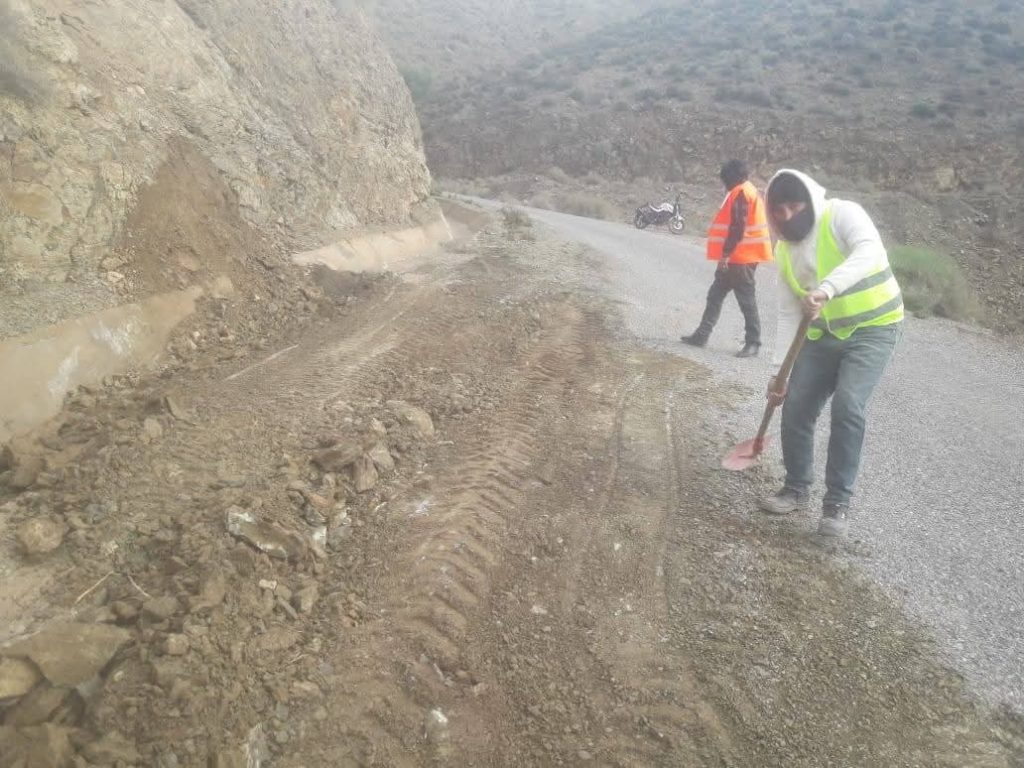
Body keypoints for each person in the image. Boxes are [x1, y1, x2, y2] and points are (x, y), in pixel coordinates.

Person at [759, 169, 904, 537]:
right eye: (779, 211)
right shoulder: (784, 251)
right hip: (823, 335)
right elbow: (788, 313)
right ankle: (795, 487)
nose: (788, 216)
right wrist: (779, 375)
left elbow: (869, 251)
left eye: (794, 207)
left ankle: (837, 504)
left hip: (875, 327)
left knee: (848, 405)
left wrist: (826, 289)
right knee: (796, 404)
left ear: (808, 200)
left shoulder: (842, 214)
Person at [681, 160, 773, 358]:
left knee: (745, 301)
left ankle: (753, 343)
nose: (724, 184)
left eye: (725, 180)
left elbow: (737, 228)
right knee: (715, 295)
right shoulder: (747, 190)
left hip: (740, 259)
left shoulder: (741, 193)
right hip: (737, 257)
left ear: (731, 177)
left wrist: (725, 255)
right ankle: (701, 335)